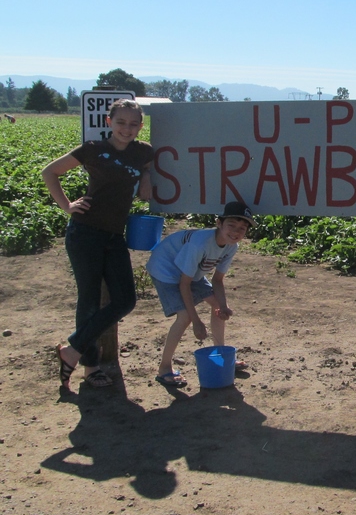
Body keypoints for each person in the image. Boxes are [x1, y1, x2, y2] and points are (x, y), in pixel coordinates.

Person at [44, 99, 153, 389]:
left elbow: (145, 187)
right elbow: (50, 172)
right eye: (121, 122)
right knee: (89, 301)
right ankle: (90, 367)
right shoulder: (93, 150)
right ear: (109, 122)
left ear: (140, 126)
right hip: (85, 233)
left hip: (115, 235)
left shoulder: (143, 152)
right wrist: (67, 205)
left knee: (125, 300)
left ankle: (72, 349)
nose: (126, 129)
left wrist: (146, 174)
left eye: (133, 124)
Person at [146, 201, 255, 387]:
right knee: (185, 317)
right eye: (231, 225)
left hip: (191, 272)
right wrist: (196, 321)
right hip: (166, 270)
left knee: (218, 307)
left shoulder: (231, 246)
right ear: (219, 223)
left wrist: (223, 305)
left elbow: (218, 280)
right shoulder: (200, 244)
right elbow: (184, 284)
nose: (236, 232)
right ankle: (164, 368)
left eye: (242, 228)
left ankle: (221, 355)